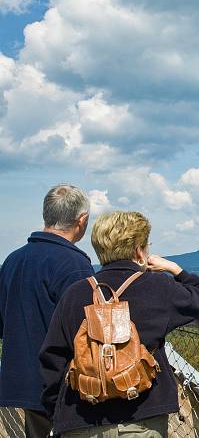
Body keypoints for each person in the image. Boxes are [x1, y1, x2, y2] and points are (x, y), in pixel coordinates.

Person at [39, 211, 199, 437]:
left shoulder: (75, 293)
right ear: (139, 250)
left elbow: (52, 359)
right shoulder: (157, 287)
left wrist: (57, 411)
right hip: (141, 418)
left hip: (80, 418)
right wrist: (173, 268)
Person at [0, 184, 94, 437]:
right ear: (81, 221)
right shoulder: (75, 264)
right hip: (66, 384)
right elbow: (88, 330)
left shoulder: (13, 260)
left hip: (26, 381)